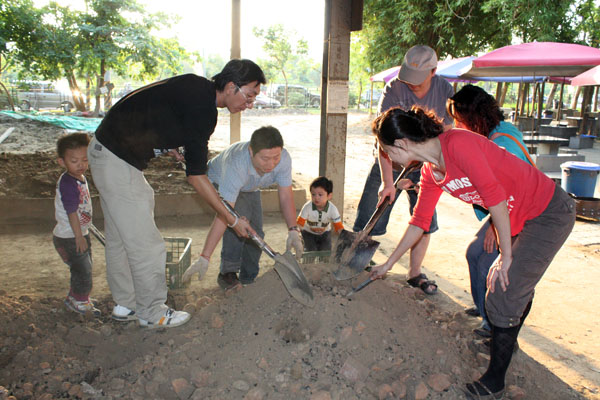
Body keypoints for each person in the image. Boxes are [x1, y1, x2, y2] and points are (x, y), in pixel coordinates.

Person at [369, 106, 575, 399]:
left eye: (387, 151)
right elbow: (419, 222)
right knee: (513, 286)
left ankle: (495, 382)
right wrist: (389, 264)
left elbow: (495, 199)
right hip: (519, 216)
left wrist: (505, 256)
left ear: (402, 144)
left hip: (548, 212)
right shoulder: (430, 172)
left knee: (501, 293)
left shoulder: (459, 144)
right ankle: (508, 338)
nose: (389, 158)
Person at [88, 59, 265, 328]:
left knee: (121, 237)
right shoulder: (204, 109)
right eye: (249, 95)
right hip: (117, 159)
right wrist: (231, 219)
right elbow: (196, 177)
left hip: (107, 152)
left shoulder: (196, 88)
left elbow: (157, 110)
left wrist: (167, 141)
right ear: (231, 87)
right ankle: (152, 311)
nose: (250, 103)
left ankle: (126, 304)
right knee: (147, 244)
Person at [353, 44, 454, 295]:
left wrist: (432, 168)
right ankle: (357, 262)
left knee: (425, 219)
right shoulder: (395, 89)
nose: (412, 85)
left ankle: (414, 271)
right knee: (371, 210)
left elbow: (447, 135)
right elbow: (383, 137)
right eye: (409, 79)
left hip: (424, 164)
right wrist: (388, 182)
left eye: (418, 81)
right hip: (390, 159)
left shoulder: (445, 91)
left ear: (433, 71)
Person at [448, 84, 535, 339]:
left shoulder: (504, 141)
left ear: (476, 118)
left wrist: (494, 229)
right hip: (504, 208)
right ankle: (483, 308)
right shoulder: (488, 135)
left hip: (523, 212)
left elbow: (512, 194)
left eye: (461, 120)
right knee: (474, 254)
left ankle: (494, 325)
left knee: (488, 261)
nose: (459, 126)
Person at [182, 126, 304, 291]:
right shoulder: (237, 164)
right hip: (220, 182)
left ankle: (249, 277)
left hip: (249, 186)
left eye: (276, 157)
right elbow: (224, 215)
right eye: (265, 158)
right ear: (251, 151)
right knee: (237, 225)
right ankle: (228, 273)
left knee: (256, 233)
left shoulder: (283, 160)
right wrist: (205, 256)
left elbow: (286, 196)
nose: (271, 164)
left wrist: (293, 229)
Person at [53, 133, 100, 316]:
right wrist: (79, 236)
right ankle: (79, 301)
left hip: (79, 232)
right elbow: (71, 211)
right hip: (70, 236)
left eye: (84, 160)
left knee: (83, 267)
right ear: (62, 162)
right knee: (83, 269)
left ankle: (78, 297)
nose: (80, 165)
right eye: (74, 161)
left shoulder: (79, 177)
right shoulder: (68, 183)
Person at [296, 176, 344, 251]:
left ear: (329, 196)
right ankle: (309, 261)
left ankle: (324, 262)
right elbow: (299, 223)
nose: (316, 198)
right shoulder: (307, 207)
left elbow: (339, 227)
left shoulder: (333, 209)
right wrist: (296, 234)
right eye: (313, 194)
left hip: (325, 234)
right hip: (308, 233)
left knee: (326, 251)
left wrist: (345, 238)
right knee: (310, 251)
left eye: (320, 195)